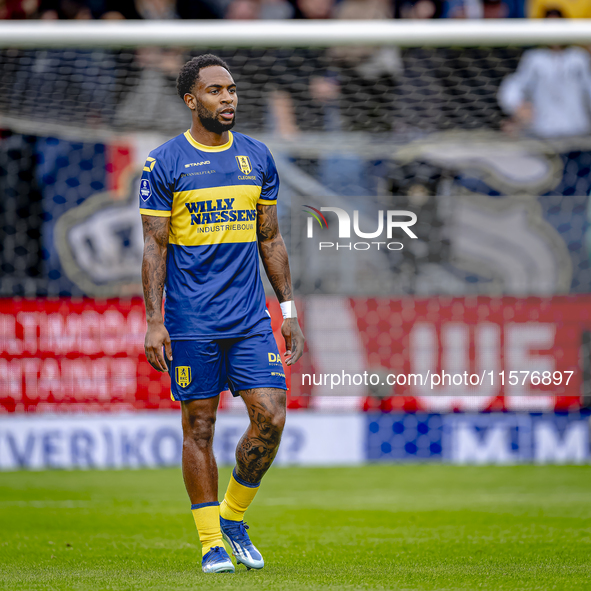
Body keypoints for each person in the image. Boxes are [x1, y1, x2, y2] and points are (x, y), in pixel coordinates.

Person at [139, 54, 305, 574]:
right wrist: (154, 320)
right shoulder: (164, 163)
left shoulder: (257, 157)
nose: (227, 98)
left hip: (250, 317)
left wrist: (289, 310)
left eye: (231, 89)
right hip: (192, 321)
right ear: (191, 101)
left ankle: (233, 516)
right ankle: (211, 541)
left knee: (272, 417)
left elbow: (271, 237)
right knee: (201, 426)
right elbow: (154, 247)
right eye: (214, 91)